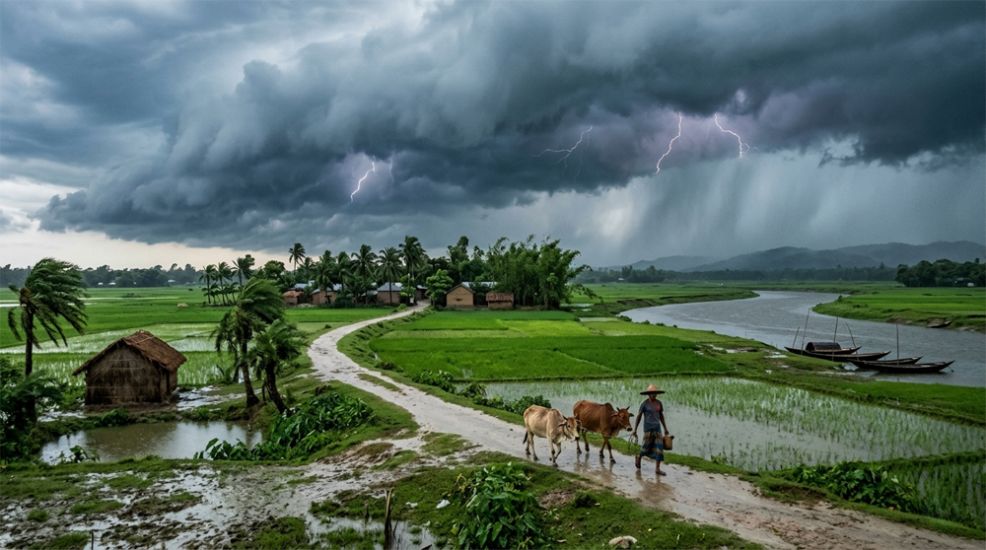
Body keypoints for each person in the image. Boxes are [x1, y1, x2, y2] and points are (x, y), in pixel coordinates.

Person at [633, 383, 670, 475]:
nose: (654, 395)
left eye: (655, 393)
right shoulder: (644, 404)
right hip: (648, 429)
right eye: (652, 393)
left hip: (657, 428)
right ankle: (639, 457)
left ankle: (657, 468)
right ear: (648, 394)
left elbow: (661, 416)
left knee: (659, 448)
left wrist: (665, 428)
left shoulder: (659, 403)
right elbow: (639, 416)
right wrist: (635, 429)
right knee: (645, 447)